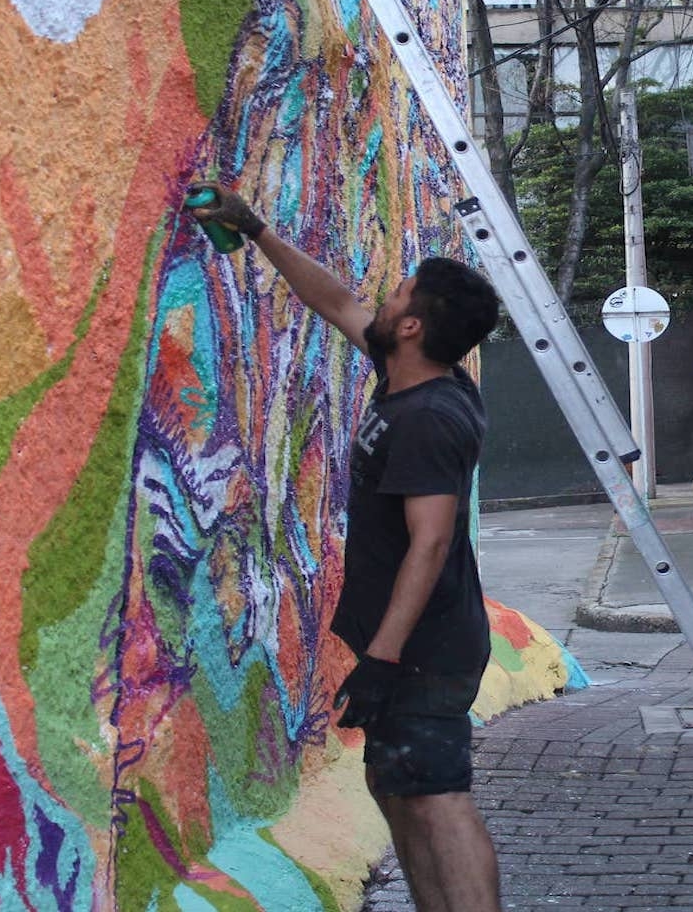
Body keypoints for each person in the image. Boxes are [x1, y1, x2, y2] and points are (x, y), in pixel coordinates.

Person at [188, 186, 503, 912]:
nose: (381, 300)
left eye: (396, 295)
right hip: (408, 645)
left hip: (424, 648)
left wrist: (383, 660)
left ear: (412, 325)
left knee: (437, 797)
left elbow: (431, 542)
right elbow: (334, 302)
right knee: (399, 790)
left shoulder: (428, 417)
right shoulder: (413, 372)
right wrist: (256, 229)